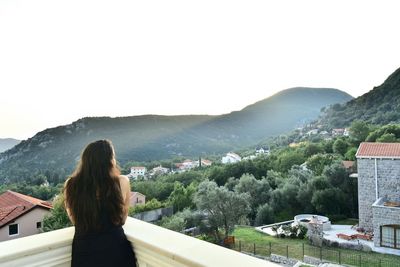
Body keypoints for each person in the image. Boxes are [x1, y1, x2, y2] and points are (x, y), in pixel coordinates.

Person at [64, 140, 137, 267]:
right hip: (117, 251)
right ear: (109, 160)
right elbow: (122, 219)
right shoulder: (122, 182)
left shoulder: (70, 185)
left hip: (84, 253)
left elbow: (75, 220)